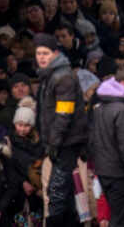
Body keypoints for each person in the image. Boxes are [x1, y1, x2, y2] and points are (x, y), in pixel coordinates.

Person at [35, 33, 88, 227]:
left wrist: (54, 142)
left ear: (55, 54)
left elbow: (64, 114)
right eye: (38, 53)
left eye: (45, 53)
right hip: (61, 141)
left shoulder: (63, 77)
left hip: (66, 142)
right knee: (63, 192)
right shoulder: (50, 75)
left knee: (57, 192)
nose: (41, 57)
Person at [88, 66, 124, 227]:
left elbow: (92, 140)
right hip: (119, 173)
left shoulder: (100, 107)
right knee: (121, 220)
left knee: (116, 216)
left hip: (104, 171)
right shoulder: (123, 110)